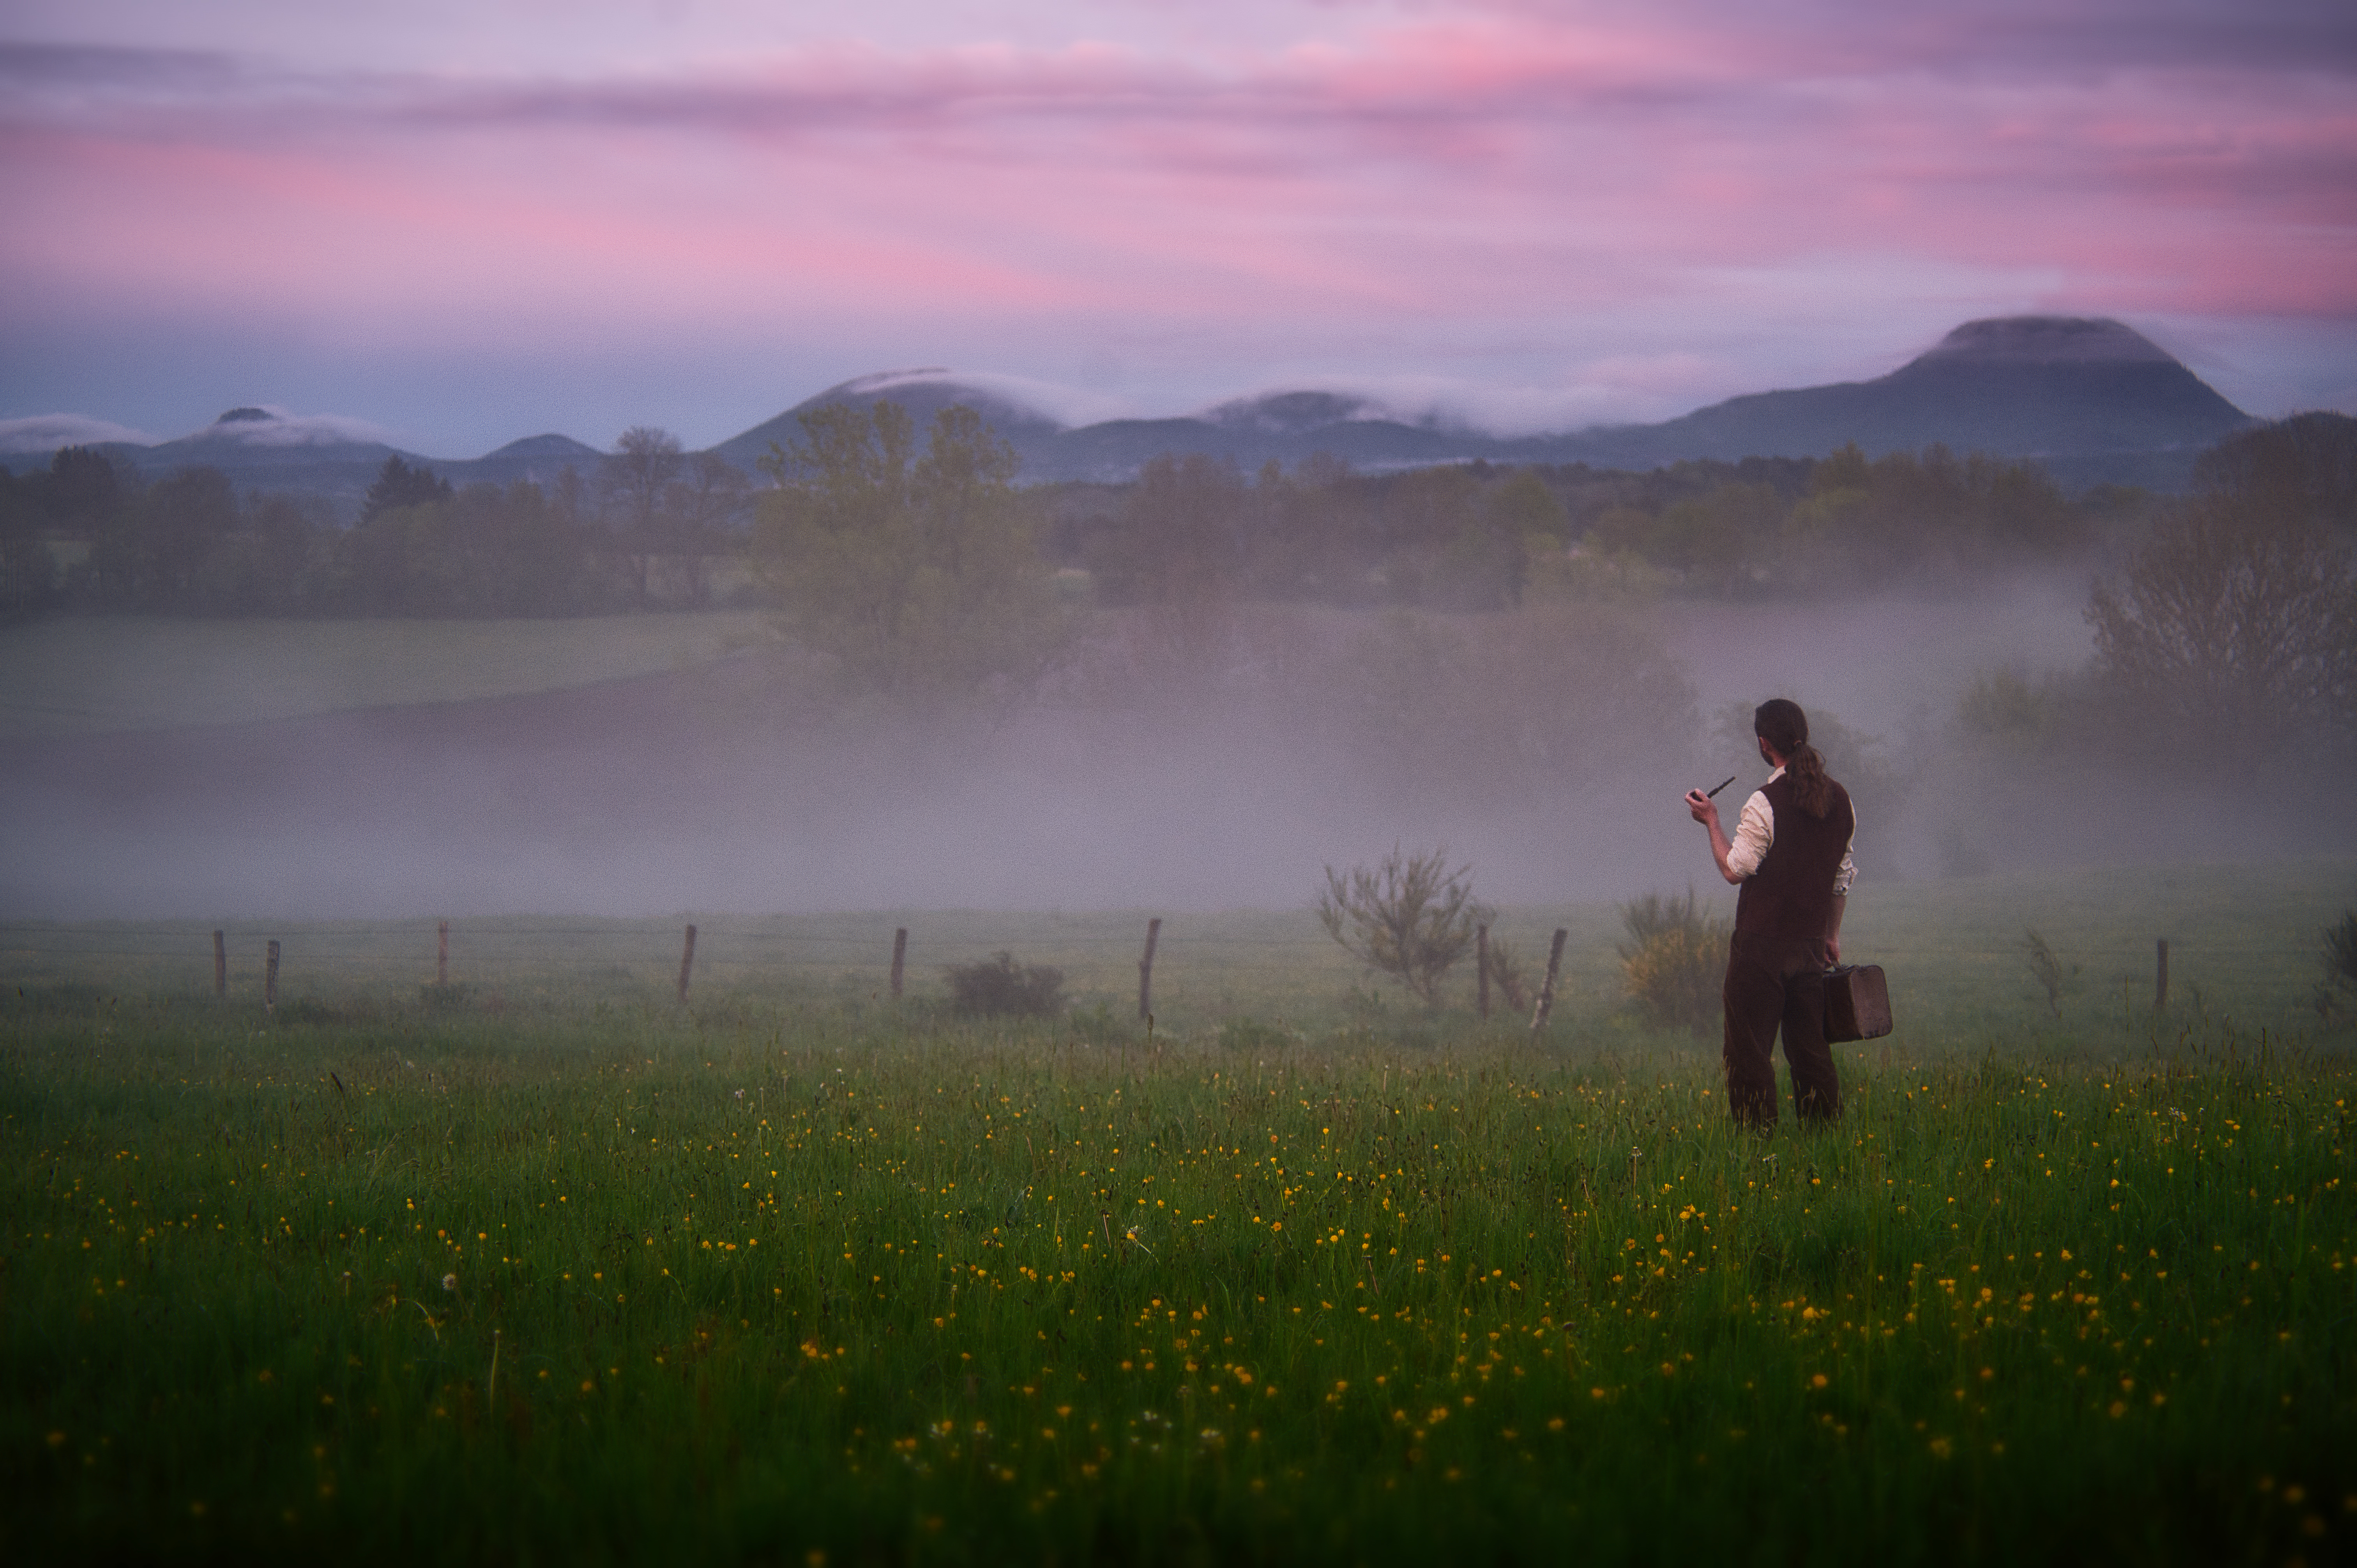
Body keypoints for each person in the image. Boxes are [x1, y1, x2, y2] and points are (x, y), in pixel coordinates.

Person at [1683, 699, 1855, 1128]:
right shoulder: (1842, 799)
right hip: (1811, 945)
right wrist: (1831, 936)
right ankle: (1823, 1136)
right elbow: (1841, 878)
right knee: (1811, 1049)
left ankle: (1756, 1144)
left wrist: (1711, 820)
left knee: (1749, 1051)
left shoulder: (1763, 803)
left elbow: (1734, 869)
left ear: (1764, 743)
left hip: (1760, 948)